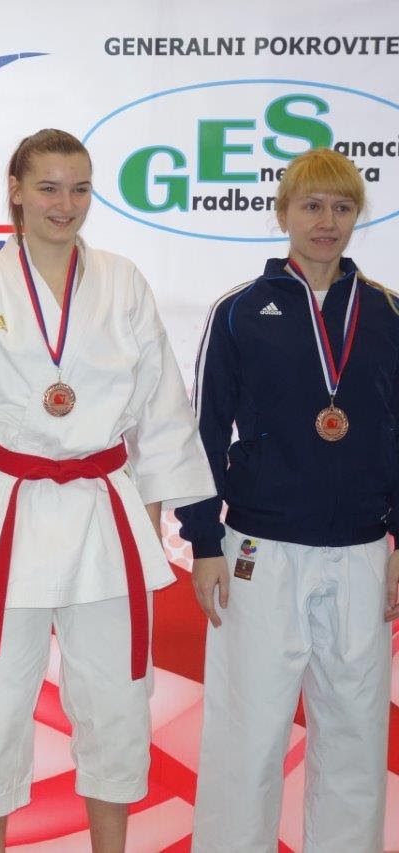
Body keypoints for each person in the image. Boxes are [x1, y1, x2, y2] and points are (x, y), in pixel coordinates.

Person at [0, 129, 214, 853]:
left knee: (116, 699)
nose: (64, 204)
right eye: (48, 187)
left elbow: (161, 408)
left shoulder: (123, 283)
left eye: (79, 189)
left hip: (103, 510)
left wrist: (146, 518)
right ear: (16, 191)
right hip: (8, 510)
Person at [179, 147, 399, 853]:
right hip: (259, 550)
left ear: (357, 216)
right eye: (311, 206)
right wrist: (203, 540)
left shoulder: (387, 312)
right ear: (283, 215)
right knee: (247, 734)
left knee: (356, 735)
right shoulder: (240, 311)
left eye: (341, 207)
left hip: (362, 549)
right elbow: (202, 431)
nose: (326, 221)